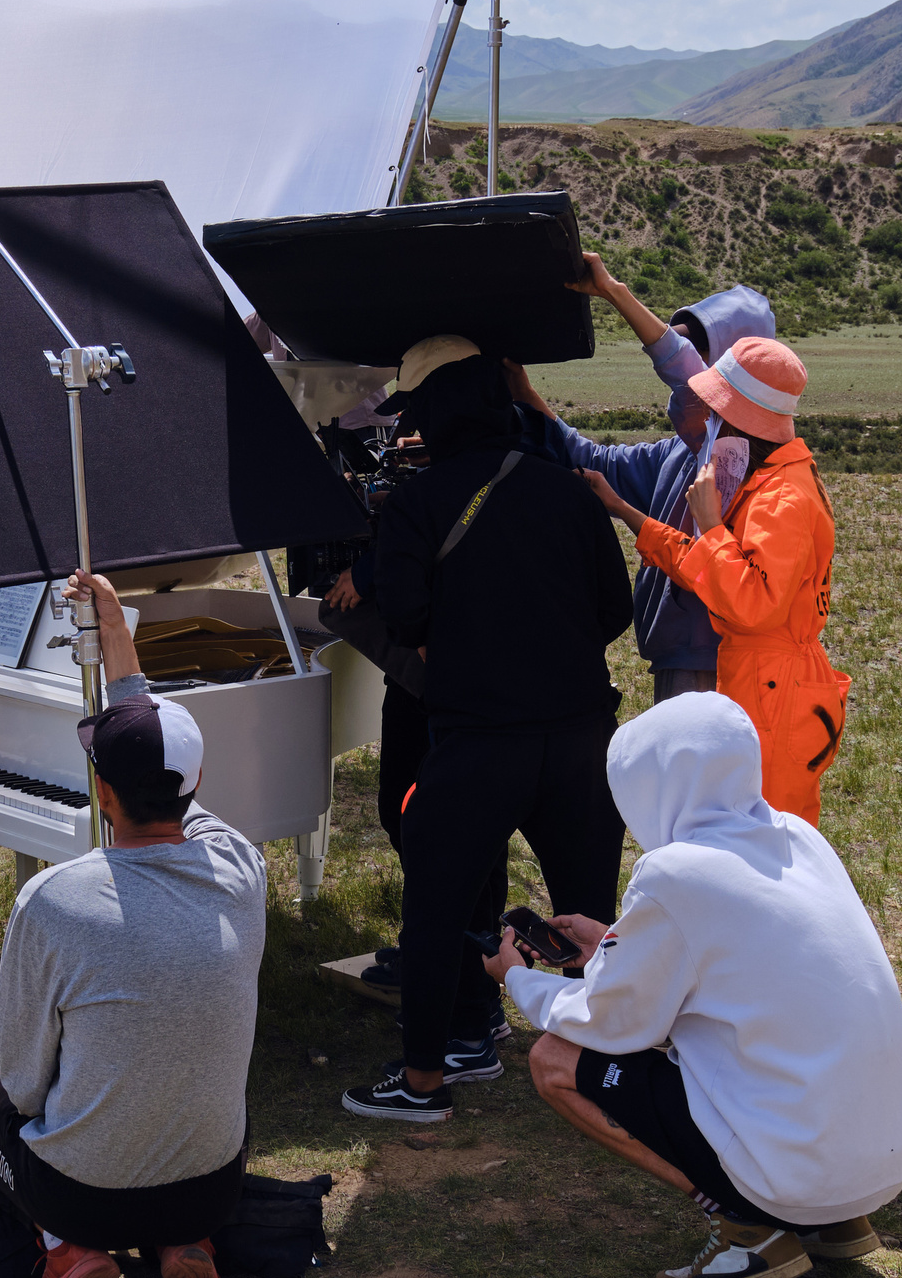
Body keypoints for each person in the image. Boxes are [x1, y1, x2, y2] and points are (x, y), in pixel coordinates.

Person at [492, 692, 902, 1278]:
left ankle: (748, 1225)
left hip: (798, 1167)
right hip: (890, 1158)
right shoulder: (798, 837)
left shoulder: (676, 873)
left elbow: (616, 1022)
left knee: (554, 1061)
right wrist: (616, 949)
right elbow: (737, 967)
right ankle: (831, 1219)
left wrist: (517, 978)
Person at [0, 569, 263, 1278]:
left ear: (102, 795)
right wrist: (118, 638)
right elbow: (158, 750)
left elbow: (19, 1085)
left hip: (84, 1198)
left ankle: (68, 1249)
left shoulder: (51, 900)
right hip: (212, 1182)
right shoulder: (242, 866)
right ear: (194, 782)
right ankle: (184, 1242)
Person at [342, 337, 635, 1124]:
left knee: (437, 907)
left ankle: (426, 1080)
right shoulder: (569, 493)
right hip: (580, 737)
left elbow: (403, 614)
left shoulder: (417, 503)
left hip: (475, 738)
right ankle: (597, 1063)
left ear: (436, 414)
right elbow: (616, 608)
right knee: (588, 909)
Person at [577, 296, 846, 824]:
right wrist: (625, 511)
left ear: (740, 417)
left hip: (771, 693)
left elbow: (749, 604)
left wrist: (713, 527)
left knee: (763, 839)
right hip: (759, 681)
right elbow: (708, 571)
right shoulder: (764, 477)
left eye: (717, 409)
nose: (708, 418)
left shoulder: (782, 498)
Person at [504, 276, 777, 700]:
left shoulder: (740, 461)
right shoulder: (680, 453)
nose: (701, 377)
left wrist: (616, 292)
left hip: (715, 665)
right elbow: (592, 461)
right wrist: (526, 396)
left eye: (705, 355)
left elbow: (688, 380)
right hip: (679, 658)